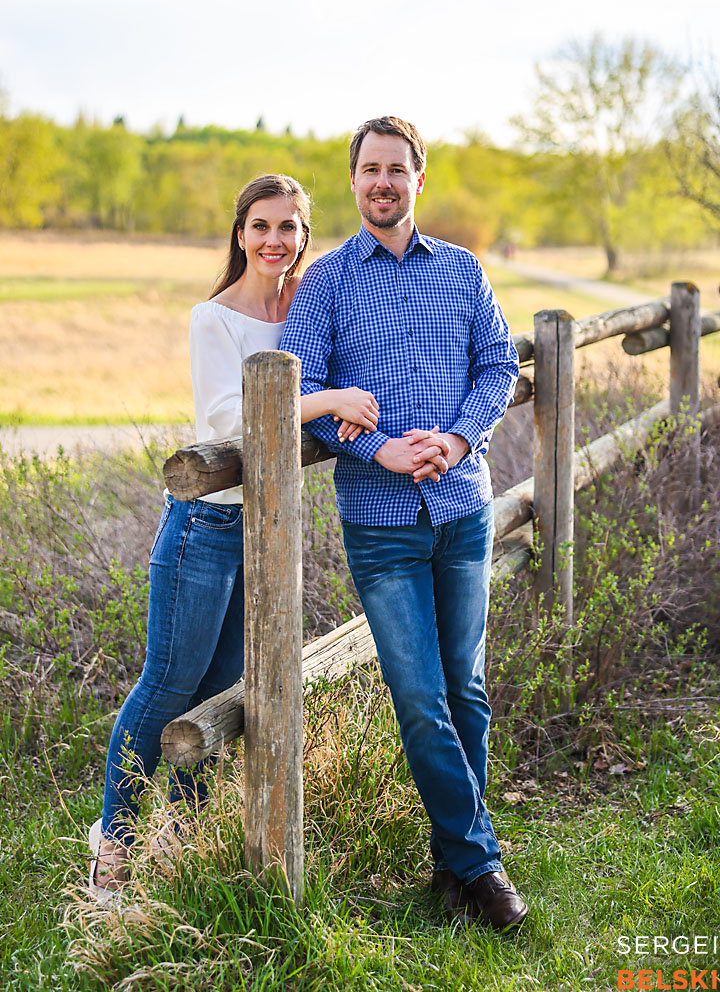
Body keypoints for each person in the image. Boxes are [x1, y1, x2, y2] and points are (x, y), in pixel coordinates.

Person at [89, 174, 379, 903]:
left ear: (305, 236)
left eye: (290, 227)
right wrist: (333, 399)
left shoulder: (304, 315)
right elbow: (227, 421)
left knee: (222, 695)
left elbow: (311, 406)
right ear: (240, 234)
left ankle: (182, 842)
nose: (276, 241)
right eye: (261, 226)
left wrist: (344, 405)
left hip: (266, 531)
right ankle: (113, 846)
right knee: (168, 685)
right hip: (206, 528)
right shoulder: (213, 317)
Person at [280, 118, 527, 931]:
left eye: (397, 170)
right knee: (418, 695)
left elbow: (496, 365)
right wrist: (380, 449)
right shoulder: (325, 283)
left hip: (463, 509)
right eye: (368, 170)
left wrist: (457, 438)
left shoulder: (462, 271)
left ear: (420, 179)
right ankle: (484, 866)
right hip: (380, 521)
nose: (382, 183)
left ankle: (452, 863)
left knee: (467, 690)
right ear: (352, 182)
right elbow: (298, 384)